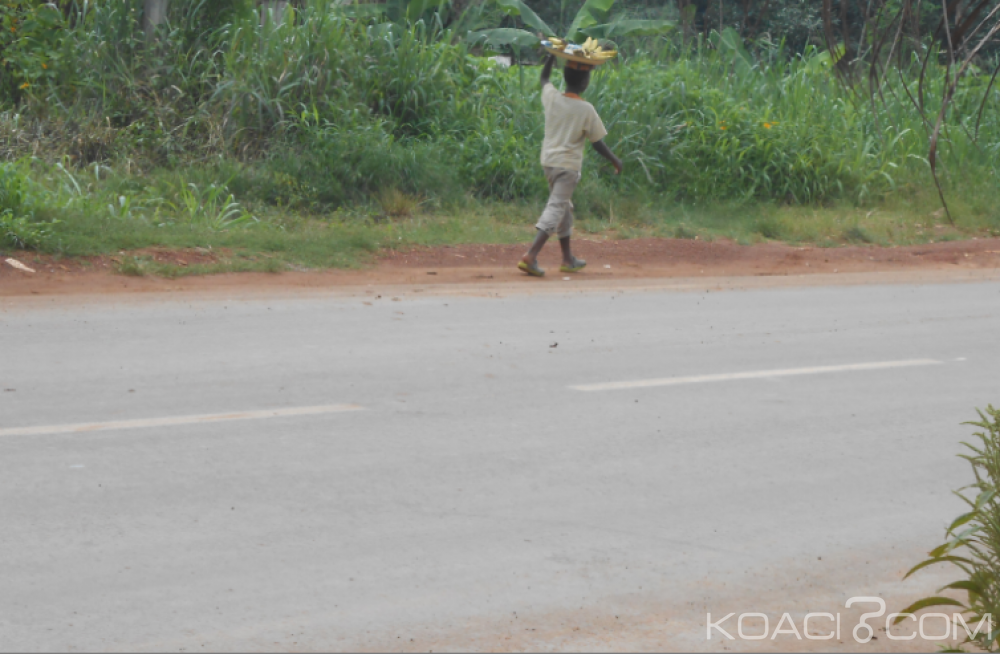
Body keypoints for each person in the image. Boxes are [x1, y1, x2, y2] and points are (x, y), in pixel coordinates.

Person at [518, 53, 622, 278]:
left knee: (564, 208)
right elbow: (597, 142)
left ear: (565, 77)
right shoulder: (586, 110)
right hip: (568, 168)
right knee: (557, 207)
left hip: (549, 163)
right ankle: (531, 255)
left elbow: (544, 79)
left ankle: (567, 259)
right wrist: (615, 159)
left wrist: (551, 57)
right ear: (585, 82)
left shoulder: (552, 98)